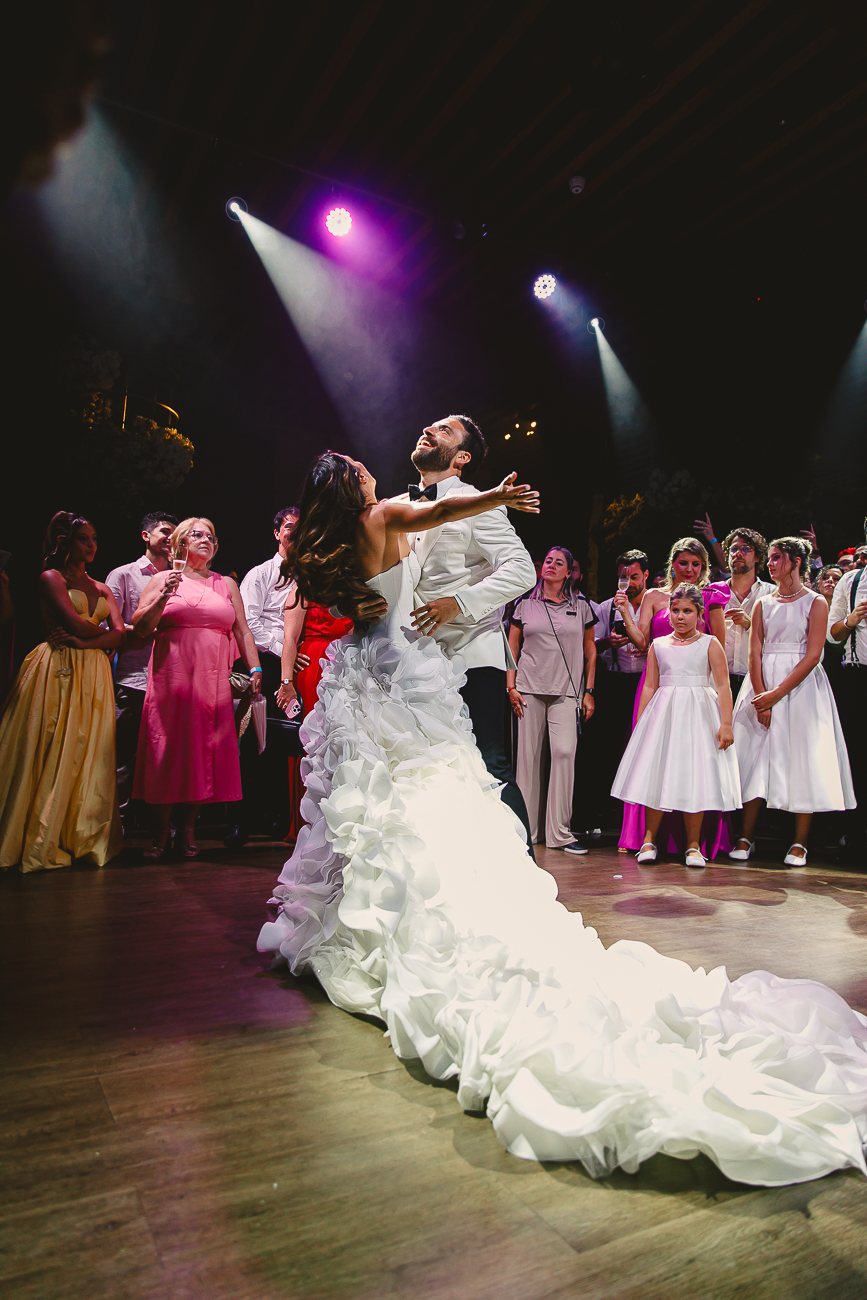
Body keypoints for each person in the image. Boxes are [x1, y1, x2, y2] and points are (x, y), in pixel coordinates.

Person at [257, 451, 867, 1189]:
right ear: (350, 486)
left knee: (370, 805)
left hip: (360, 674)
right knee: (421, 798)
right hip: (402, 673)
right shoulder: (381, 515)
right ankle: (414, 913)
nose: (368, 470)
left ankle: (363, 923)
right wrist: (497, 495)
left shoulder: (322, 547)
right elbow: (440, 513)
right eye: (357, 467)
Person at [401, 415, 537, 853]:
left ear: (461, 457)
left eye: (444, 430)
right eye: (430, 426)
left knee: (489, 765)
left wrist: (457, 604)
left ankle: (528, 877)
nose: (428, 430)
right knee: (433, 767)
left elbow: (521, 570)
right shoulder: (399, 503)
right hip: (418, 660)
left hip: (471, 653)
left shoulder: (479, 502)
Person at [132, 517, 262, 860]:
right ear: (180, 544)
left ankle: (188, 831)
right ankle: (160, 833)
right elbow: (141, 627)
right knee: (166, 749)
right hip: (170, 679)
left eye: (211, 537)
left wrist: (256, 667)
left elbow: (242, 631)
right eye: (197, 534)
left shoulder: (225, 585)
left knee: (202, 749)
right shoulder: (162, 579)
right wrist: (164, 595)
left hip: (211, 679)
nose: (206, 540)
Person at [0, 512, 125, 871]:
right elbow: (71, 621)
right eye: (84, 538)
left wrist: (88, 643)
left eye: (94, 538)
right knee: (52, 744)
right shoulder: (50, 577)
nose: (91, 545)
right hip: (57, 667)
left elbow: (120, 634)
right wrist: (95, 637)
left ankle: (81, 835)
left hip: (93, 671)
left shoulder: (101, 586)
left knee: (87, 751)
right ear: (63, 542)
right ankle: (41, 835)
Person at [731, 537, 855, 866]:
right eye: (769, 558)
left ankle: (800, 842)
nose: (770, 564)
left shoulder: (815, 602)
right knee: (754, 759)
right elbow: (753, 651)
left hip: (800, 689)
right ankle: (745, 836)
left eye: (775, 558)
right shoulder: (762, 604)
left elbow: (814, 655)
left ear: (796, 561)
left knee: (803, 760)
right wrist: (762, 696)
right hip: (762, 687)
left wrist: (776, 694)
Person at [614, 537, 731, 857]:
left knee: (694, 767)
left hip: (696, 695)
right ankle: (648, 838)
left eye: (696, 564)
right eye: (684, 562)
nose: (690, 569)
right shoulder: (654, 597)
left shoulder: (711, 598)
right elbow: (641, 641)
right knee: (655, 765)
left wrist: (721, 718)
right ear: (672, 564)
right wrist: (625, 612)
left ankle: (693, 843)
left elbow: (716, 656)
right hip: (661, 691)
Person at [507, 546, 596, 855]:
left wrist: (589, 691)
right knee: (527, 762)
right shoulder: (524, 604)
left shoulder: (582, 606)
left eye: (559, 563)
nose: (552, 566)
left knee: (564, 753)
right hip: (528, 688)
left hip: (567, 692)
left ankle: (559, 832)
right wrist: (510, 686)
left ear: (569, 571)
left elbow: (590, 651)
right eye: (548, 561)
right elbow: (512, 647)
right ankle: (526, 832)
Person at [226, 507, 300, 847]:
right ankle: (239, 821)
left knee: (287, 742)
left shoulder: (312, 574)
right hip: (264, 664)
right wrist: (284, 652)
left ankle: (278, 818)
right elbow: (249, 624)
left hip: (297, 663)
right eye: (288, 527)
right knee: (249, 742)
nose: (294, 533)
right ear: (276, 533)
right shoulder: (259, 574)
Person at [105, 511, 178, 819]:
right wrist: (149, 628)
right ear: (146, 536)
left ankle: (159, 827)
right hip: (134, 678)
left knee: (165, 757)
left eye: (175, 534)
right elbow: (111, 629)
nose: (170, 539)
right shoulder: (124, 575)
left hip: (172, 680)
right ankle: (115, 824)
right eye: (164, 531)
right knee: (124, 757)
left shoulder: (184, 577)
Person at [579, 550, 649, 834]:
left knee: (640, 747)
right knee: (606, 750)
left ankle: (635, 816)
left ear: (645, 575)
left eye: (634, 576)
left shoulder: (656, 604)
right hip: (615, 682)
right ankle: (598, 813)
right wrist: (608, 642)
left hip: (646, 683)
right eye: (624, 576)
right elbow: (590, 646)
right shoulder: (606, 607)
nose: (629, 582)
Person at [276, 590, 354, 843]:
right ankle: (305, 822)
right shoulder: (302, 590)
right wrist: (286, 682)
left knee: (342, 741)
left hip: (347, 665)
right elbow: (290, 638)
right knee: (312, 743)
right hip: (313, 665)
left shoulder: (350, 584)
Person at [827, 539, 867, 864]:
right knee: (858, 758)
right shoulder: (851, 581)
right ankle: (857, 838)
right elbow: (832, 633)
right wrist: (852, 619)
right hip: (857, 678)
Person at [720, 528, 774, 702]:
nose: (738, 554)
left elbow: (779, 639)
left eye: (746, 549)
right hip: (719, 681)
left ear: (757, 557)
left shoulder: (772, 595)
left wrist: (750, 624)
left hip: (757, 681)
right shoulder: (713, 593)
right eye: (734, 549)